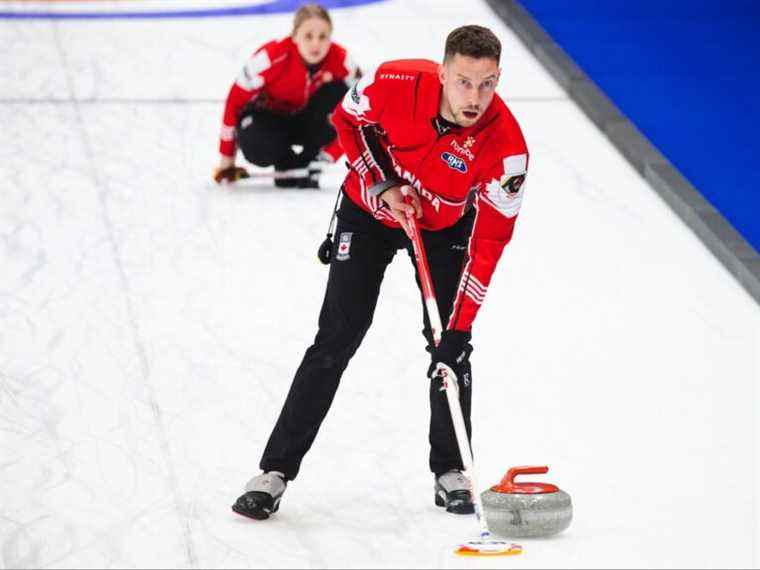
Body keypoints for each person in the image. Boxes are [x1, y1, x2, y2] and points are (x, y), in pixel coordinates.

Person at [232, 25, 529, 519]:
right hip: (369, 211)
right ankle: (274, 472)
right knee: (336, 337)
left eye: (487, 83)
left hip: (442, 227)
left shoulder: (507, 151)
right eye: (462, 82)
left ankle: (452, 470)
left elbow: (491, 244)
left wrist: (459, 328)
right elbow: (344, 122)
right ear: (442, 73)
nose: (474, 97)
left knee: (449, 348)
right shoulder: (394, 82)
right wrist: (383, 183)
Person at [213, 4, 360, 188]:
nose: (316, 44)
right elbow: (235, 101)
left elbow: (361, 116)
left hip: (306, 123)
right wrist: (227, 158)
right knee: (255, 141)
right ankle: (286, 161)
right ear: (295, 36)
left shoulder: (342, 61)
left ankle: (308, 161)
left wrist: (328, 156)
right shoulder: (270, 57)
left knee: (344, 95)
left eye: (323, 37)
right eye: (308, 36)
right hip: (268, 122)